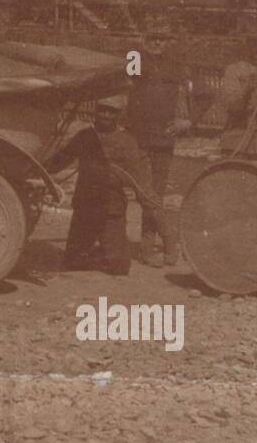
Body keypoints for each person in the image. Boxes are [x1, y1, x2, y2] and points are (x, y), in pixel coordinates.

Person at [48, 93, 159, 276]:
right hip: (86, 208)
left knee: (119, 268)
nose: (106, 115)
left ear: (119, 115)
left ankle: (102, 251)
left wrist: (151, 205)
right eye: (102, 110)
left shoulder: (127, 141)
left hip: (111, 210)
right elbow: (60, 161)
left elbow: (139, 180)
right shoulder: (84, 136)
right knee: (72, 263)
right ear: (95, 111)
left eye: (112, 112)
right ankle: (91, 252)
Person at [124, 33, 192, 266]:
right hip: (138, 137)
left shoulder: (176, 66)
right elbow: (126, 86)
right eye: (152, 38)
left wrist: (189, 120)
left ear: (169, 42)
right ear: (143, 40)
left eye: (162, 39)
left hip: (164, 139)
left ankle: (146, 247)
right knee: (145, 192)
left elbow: (201, 92)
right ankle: (169, 239)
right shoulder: (134, 58)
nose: (157, 43)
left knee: (156, 193)